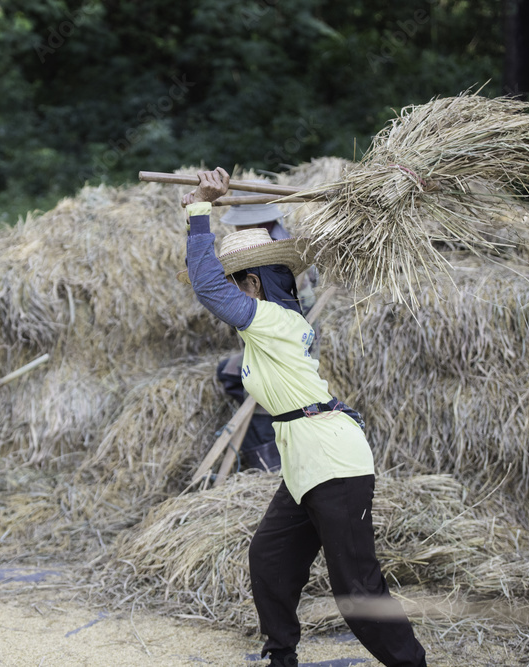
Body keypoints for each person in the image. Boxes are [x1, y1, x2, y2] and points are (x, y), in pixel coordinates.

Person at [180, 168, 427, 667]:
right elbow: (223, 284)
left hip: (331, 458)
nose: (230, 297)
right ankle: (281, 659)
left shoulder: (270, 320)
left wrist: (199, 209)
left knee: (356, 587)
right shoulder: (277, 323)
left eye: (238, 285)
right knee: (270, 558)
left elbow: (207, 287)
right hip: (304, 461)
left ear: (253, 282)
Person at [216, 184, 321, 473]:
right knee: (233, 373)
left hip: (286, 337)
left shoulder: (272, 251)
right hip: (280, 332)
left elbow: (291, 309)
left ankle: (269, 464)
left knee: (258, 394)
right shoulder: (274, 239)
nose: (236, 226)